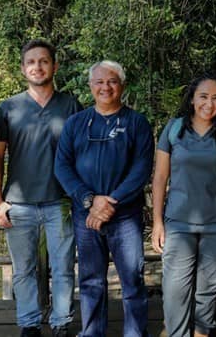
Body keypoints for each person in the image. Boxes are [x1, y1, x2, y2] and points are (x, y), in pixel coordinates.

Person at [0, 40, 82, 337]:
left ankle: (61, 323)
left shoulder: (71, 105)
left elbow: (82, 155)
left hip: (61, 202)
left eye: (44, 61)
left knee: (64, 267)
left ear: (54, 66)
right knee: (24, 269)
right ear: (22, 68)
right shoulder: (8, 108)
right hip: (19, 203)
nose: (37, 66)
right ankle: (29, 323)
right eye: (31, 62)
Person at [54, 60, 154, 337]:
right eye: (99, 81)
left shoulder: (137, 123)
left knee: (132, 279)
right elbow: (62, 166)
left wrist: (111, 202)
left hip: (125, 217)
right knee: (90, 281)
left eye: (111, 81)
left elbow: (141, 169)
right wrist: (89, 199)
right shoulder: (75, 123)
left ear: (121, 85)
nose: (105, 87)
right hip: (86, 215)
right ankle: (92, 332)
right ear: (90, 86)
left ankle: (135, 332)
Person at [152, 74, 216, 337]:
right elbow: (160, 178)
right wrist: (157, 222)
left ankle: (201, 334)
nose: (209, 103)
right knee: (174, 289)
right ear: (192, 99)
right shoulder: (174, 128)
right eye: (203, 96)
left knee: (208, 290)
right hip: (179, 221)